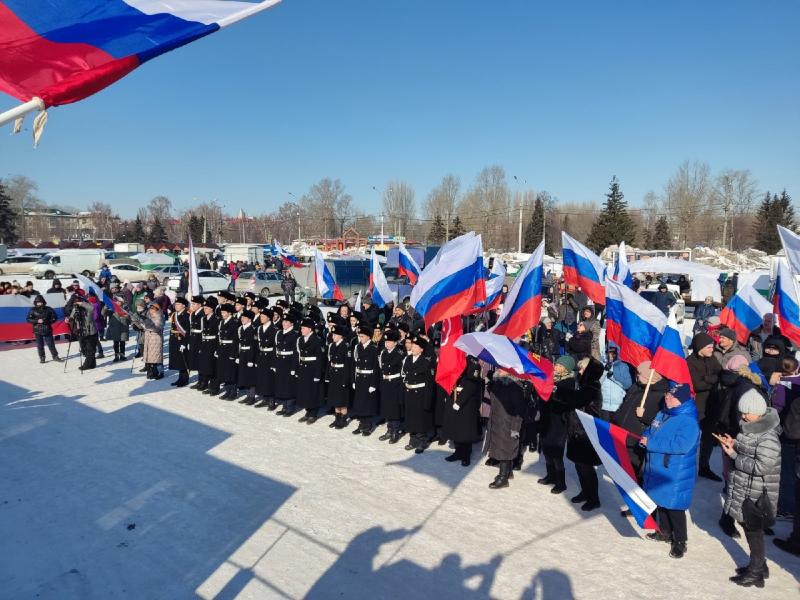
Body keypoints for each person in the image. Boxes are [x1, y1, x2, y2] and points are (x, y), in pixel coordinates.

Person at [719, 390, 781, 587]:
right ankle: (759, 566)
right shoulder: (752, 428)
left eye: (747, 412)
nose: (743, 416)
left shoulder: (767, 437)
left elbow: (763, 466)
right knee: (749, 528)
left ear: (759, 412)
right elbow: (750, 451)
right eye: (742, 412)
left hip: (757, 493)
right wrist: (734, 445)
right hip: (747, 489)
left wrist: (735, 457)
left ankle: (756, 572)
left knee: (753, 531)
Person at [641, 384, 700, 559]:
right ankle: (665, 532)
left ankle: (680, 541)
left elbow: (681, 446)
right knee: (661, 501)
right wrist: (644, 438)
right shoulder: (663, 413)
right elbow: (651, 430)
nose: (666, 398)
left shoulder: (689, 421)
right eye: (667, 395)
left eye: (671, 397)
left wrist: (651, 444)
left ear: (681, 401)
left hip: (675, 470)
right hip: (658, 466)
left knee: (674, 506)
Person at [560, 357, 604, 511]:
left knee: (587, 468)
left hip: (586, 433)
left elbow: (581, 402)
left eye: (582, 369)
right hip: (575, 430)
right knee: (579, 465)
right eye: (579, 368)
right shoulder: (580, 384)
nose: (579, 371)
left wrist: (562, 394)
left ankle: (594, 498)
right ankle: (585, 493)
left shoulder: (592, 387)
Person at [687, 332, 723, 481]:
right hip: (696, 405)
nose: (712, 349)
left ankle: (704, 467)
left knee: (707, 439)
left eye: (712, 346)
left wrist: (708, 379)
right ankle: (687, 468)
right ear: (700, 347)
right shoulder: (689, 361)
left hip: (711, 404)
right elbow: (696, 384)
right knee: (691, 438)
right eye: (708, 347)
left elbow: (721, 374)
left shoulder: (712, 358)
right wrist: (711, 380)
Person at [539, 355, 576, 494]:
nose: (557, 367)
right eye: (557, 365)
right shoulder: (551, 379)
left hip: (559, 422)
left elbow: (563, 401)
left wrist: (552, 389)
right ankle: (550, 475)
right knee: (546, 448)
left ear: (567, 369)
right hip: (547, 418)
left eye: (561, 366)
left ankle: (561, 482)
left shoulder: (569, 382)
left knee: (556, 451)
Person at [485, 369, 528, 489]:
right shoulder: (499, 383)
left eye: (502, 368)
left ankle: (503, 478)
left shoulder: (515, 387)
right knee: (501, 448)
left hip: (508, 424)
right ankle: (508, 472)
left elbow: (519, 411)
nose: (498, 370)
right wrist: (490, 384)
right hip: (498, 422)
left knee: (505, 449)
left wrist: (515, 429)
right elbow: (494, 398)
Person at [441, 356, 483, 467]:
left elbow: (471, 385)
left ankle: (466, 454)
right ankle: (458, 452)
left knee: (465, 429)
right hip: (453, 396)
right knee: (455, 426)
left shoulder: (474, 363)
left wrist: (460, 402)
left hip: (466, 401)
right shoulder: (457, 360)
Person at [402, 336, 435, 454]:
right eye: (413, 346)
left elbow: (429, 382)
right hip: (409, 392)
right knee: (411, 416)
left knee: (420, 418)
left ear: (421, 349)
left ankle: (423, 440)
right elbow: (405, 374)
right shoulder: (408, 359)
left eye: (416, 346)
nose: (413, 348)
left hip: (420, 393)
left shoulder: (426, 362)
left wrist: (428, 399)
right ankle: (413, 439)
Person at [352, 325, 380, 435]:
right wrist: (353, 380)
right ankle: (361, 424)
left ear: (368, 337)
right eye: (359, 336)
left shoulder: (373, 348)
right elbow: (354, 364)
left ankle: (368, 425)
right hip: (359, 377)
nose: (360, 338)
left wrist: (373, 383)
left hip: (368, 378)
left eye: (362, 336)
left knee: (367, 403)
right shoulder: (358, 347)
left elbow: (376, 367)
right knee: (359, 402)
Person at [378, 328, 405, 442]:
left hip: (395, 383)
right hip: (386, 382)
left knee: (394, 408)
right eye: (386, 342)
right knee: (387, 407)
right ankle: (389, 429)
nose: (387, 344)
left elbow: (399, 370)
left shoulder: (399, 353)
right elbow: (381, 369)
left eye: (389, 342)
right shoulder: (383, 352)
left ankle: (395, 430)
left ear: (395, 342)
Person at [296, 317, 325, 422]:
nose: (301, 330)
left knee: (313, 392)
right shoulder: (301, 339)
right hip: (303, 367)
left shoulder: (317, 340)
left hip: (312, 369)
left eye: (303, 328)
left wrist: (317, 374)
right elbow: (299, 356)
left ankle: (313, 413)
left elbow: (319, 359)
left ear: (310, 329)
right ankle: (308, 411)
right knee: (305, 391)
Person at [326, 324, 353, 429]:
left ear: (341, 336)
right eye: (333, 334)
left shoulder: (345, 346)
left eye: (335, 334)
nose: (333, 336)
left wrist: (346, 379)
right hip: (334, 374)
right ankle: (337, 418)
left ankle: (343, 419)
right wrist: (328, 375)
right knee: (335, 397)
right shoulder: (332, 346)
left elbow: (348, 365)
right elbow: (330, 361)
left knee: (342, 398)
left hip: (342, 374)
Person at [274, 311, 300, 416]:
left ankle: (290, 407)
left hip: (289, 362)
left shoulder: (295, 334)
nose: (284, 323)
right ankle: (284, 406)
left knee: (289, 385)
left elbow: (296, 353)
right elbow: (276, 350)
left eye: (286, 322)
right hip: (280, 361)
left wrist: (294, 367)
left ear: (291, 323)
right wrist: (275, 363)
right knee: (281, 384)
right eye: (283, 321)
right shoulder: (279, 333)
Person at [65, 292, 98, 371]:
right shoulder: (75, 309)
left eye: (78, 301)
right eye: (75, 302)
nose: (76, 303)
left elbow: (92, 308)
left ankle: (86, 365)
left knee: (90, 349)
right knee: (84, 349)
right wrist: (68, 319)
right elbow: (71, 317)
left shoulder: (87, 308)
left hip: (90, 332)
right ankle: (92, 364)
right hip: (81, 332)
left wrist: (81, 303)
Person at [599, 345, 632, 421]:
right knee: (604, 430)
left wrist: (613, 376)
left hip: (618, 406)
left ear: (617, 353)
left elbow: (627, 385)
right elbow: (597, 383)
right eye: (609, 352)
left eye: (613, 353)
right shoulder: (600, 365)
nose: (611, 355)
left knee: (615, 430)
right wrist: (605, 371)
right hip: (604, 406)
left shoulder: (623, 366)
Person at [26, 294, 62, 363]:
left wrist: (47, 321)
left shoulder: (49, 309)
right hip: (37, 330)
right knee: (40, 345)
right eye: (38, 302)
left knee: (51, 344)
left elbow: (54, 318)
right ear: (35, 302)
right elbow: (28, 319)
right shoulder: (32, 310)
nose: (39, 303)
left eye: (40, 302)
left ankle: (55, 356)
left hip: (47, 329)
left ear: (43, 302)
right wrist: (37, 321)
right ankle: (42, 357)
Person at [254, 307, 277, 408]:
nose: (261, 318)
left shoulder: (274, 329)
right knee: (262, 377)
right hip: (262, 354)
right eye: (261, 316)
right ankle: (265, 398)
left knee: (270, 378)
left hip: (270, 355)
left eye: (263, 316)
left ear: (269, 318)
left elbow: (275, 345)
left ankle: (272, 399)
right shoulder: (259, 328)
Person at [216, 303, 240, 400]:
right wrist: (218, 349)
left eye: (224, 312)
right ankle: (227, 390)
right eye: (221, 312)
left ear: (229, 313)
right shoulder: (222, 322)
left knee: (231, 371)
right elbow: (220, 337)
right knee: (224, 370)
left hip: (230, 349)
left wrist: (234, 353)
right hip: (222, 348)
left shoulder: (234, 322)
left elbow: (236, 339)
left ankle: (233, 392)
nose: (222, 314)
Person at [197, 299, 220, 394]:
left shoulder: (217, 319)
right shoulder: (203, 319)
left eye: (206, 308)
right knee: (206, 365)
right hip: (205, 344)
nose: (204, 310)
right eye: (204, 308)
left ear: (211, 309)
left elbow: (218, 334)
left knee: (213, 366)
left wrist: (217, 348)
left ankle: (214, 387)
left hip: (212, 344)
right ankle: (206, 383)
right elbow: (202, 333)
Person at [236, 309, 259, 405]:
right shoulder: (241, 328)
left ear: (249, 319)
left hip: (250, 354)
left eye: (244, 318)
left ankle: (252, 396)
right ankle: (247, 395)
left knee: (251, 376)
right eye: (242, 317)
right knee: (244, 375)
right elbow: (239, 344)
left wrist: (251, 359)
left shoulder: (253, 329)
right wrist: (237, 355)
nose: (242, 319)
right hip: (243, 353)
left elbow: (254, 345)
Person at [168, 297, 191, 387]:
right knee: (177, 360)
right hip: (174, 339)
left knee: (183, 360)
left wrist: (184, 343)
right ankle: (180, 378)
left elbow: (187, 331)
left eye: (178, 304)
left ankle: (185, 379)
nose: (176, 306)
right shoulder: (175, 314)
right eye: (176, 304)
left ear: (183, 306)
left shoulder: (187, 315)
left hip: (182, 339)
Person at [140, 303, 165, 380]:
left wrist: (146, 322)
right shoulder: (149, 316)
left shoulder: (159, 317)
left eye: (153, 309)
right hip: (148, 337)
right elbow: (144, 326)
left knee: (156, 356)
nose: (151, 310)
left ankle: (160, 371)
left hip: (155, 338)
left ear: (156, 310)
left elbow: (157, 328)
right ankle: (151, 371)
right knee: (150, 355)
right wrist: (139, 321)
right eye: (150, 309)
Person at [103, 296, 131, 362]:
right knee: (115, 343)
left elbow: (130, 320)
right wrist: (105, 307)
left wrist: (127, 317)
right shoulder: (112, 309)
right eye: (117, 301)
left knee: (122, 342)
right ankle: (116, 355)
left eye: (119, 301)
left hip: (123, 328)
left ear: (122, 302)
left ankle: (122, 355)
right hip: (114, 328)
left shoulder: (126, 308)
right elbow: (103, 313)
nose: (118, 303)